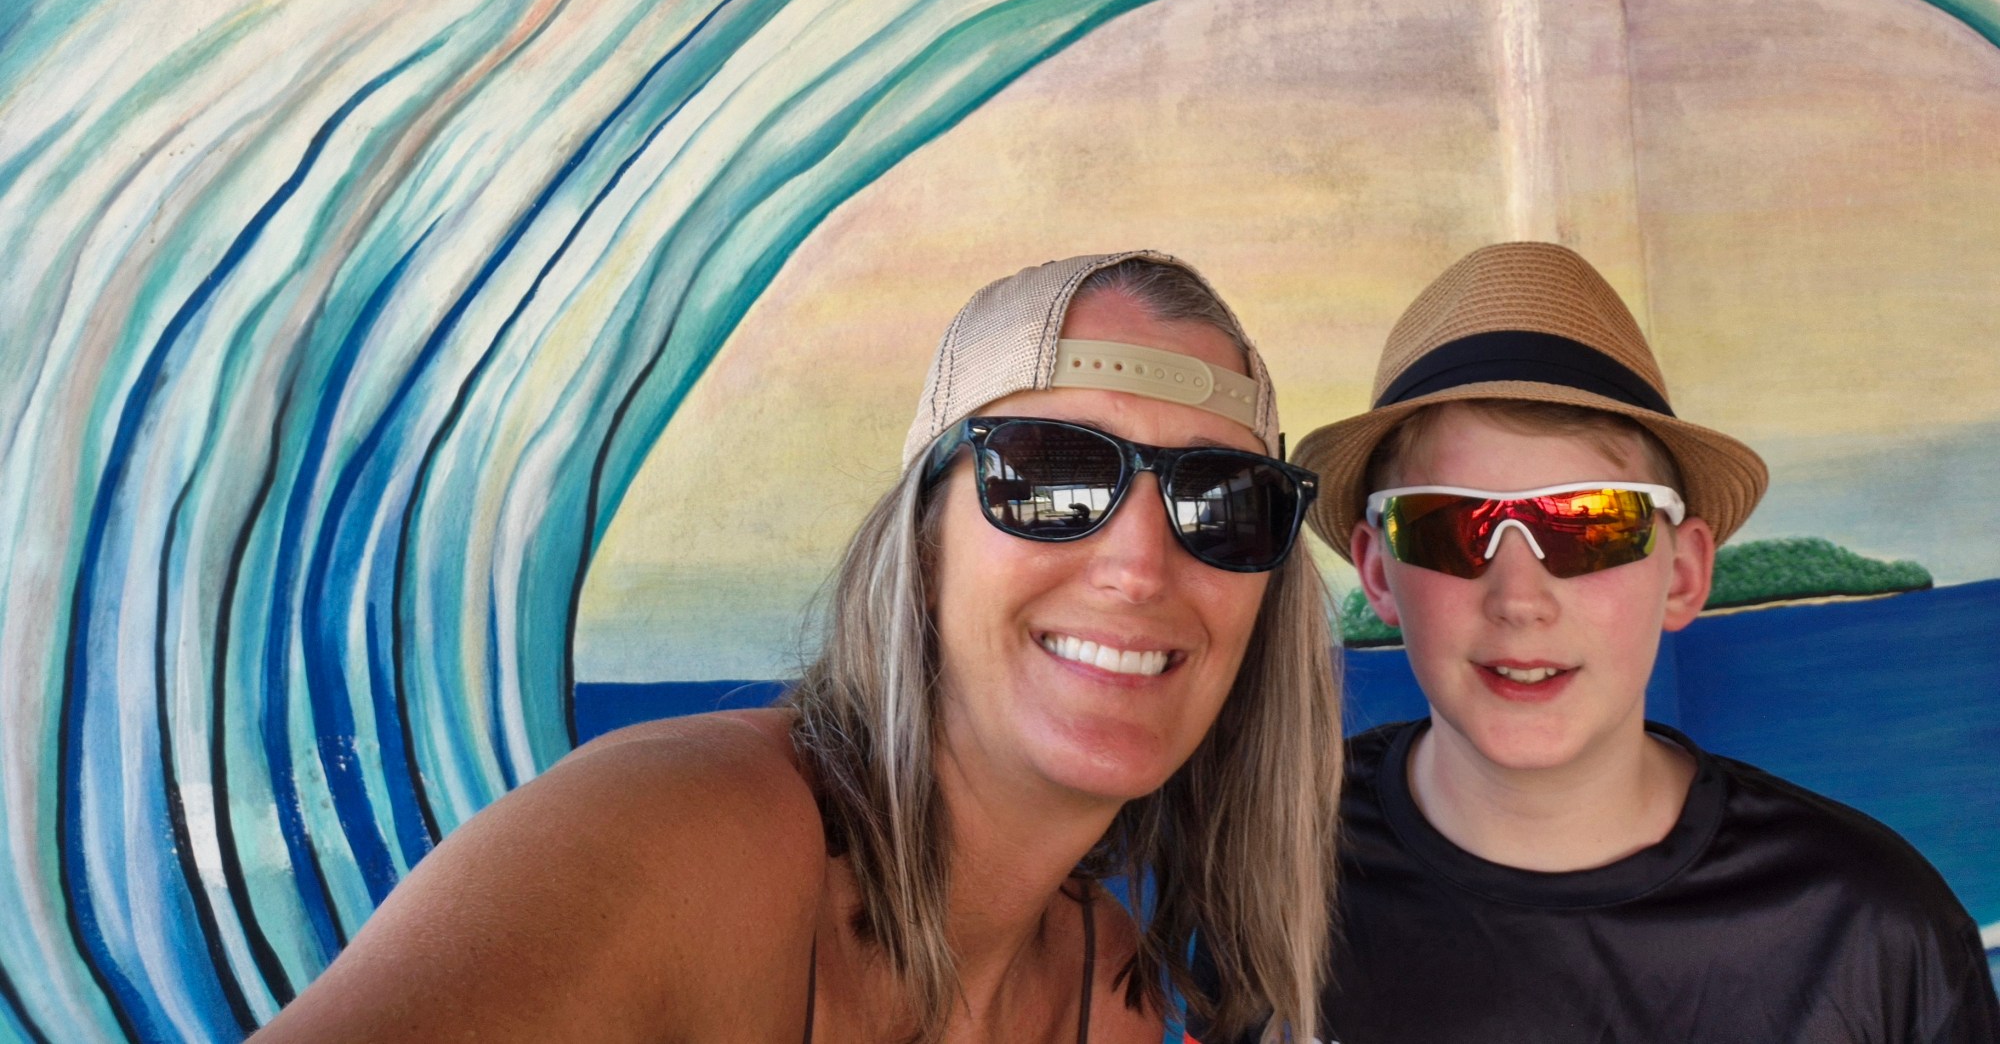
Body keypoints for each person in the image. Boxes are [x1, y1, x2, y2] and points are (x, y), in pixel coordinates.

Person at [257, 250, 1341, 1044]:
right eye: (1049, 477)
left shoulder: (1116, 999)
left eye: (1223, 503)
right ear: (919, 547)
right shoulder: (686, 840)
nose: (1139, 567)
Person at [1267, 241, 1999, 1044]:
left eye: (1590, 524)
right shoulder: (1272, 881)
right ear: (1378, 573)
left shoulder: (1872, 932)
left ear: (1683, 574)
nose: (1520, 600)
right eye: (1450, 526)